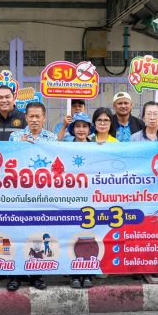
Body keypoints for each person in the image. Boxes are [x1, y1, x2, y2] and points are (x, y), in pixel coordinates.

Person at [6, 101, 54, 291]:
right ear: (25, 117)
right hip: (19, 193)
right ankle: (15, 276)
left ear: (44, 118)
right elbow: (8, 160)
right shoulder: (15, 136)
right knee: (17, 233)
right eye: (31, 116)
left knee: (37, 234)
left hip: (42, 194)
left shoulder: (51, 138)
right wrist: (20, 147)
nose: (34, 120)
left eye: (37, 116)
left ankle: (36, 275)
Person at [66, 112, 96, 289]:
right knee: (72, 236)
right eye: (77, 126)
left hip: (92, 198)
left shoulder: (98, 147)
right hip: (71, 198)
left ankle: (89, 272)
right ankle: (74, 274)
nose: (81, 129)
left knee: (90, 236)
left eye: (84, 126)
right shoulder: (64, 147)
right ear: (73, 129)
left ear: (89, 129)